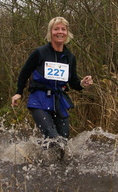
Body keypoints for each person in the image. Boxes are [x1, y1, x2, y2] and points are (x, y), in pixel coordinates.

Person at [11, 17, 93, 145]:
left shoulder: (70, 57)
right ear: (50, 32)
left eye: (63, 29)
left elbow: (73, 82)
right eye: (56, 29)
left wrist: (83, 83)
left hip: (58, 101)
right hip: (39, 99)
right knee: (53, 137)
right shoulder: (40, 52)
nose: (60, 32)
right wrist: (18, 92)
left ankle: (42, 154)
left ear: (67, 33)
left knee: (63, 142)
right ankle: (38, 159)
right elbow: (25, 72)